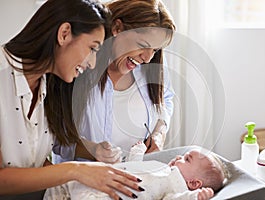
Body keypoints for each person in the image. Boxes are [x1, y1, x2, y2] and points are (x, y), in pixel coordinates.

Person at [0, 1, 143, 200]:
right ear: (64, 33)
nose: (93, 63)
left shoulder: (49, 86)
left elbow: (32, 164)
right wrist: (75, 170)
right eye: (93, 48)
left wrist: (91, 155)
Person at [53, 0, 176, 164]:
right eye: (142, 45)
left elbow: (166, 99)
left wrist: (159, 133)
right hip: (83, 181)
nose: (147, 58)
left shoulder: (152, 64)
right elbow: (56, 138)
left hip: (136, 176)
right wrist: (93, 150)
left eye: (155, 50)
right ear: (117, 28)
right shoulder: (79, 65)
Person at [44, 147, 227, 199]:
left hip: (105, 195)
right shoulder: (162, 168)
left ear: (194, 183)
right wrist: (136, 156)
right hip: (91, 181)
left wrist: (194, 197)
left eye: (187, 159)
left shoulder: (177, 186)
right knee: (60, 186)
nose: (179, 156)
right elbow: (136, 169)